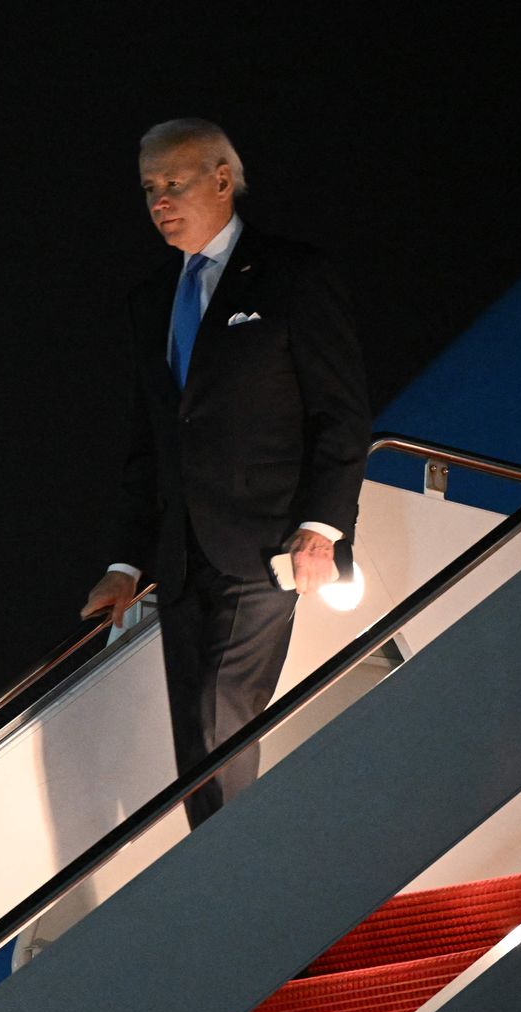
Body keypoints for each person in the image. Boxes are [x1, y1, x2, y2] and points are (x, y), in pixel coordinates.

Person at [80, 118, 370, 829]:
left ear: (220, 177)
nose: (159, 201)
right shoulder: (149, 300)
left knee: (219, 726)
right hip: (180, 559)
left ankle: (231, 895)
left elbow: (341, 412)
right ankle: (231, 884)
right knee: (198, 743)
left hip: (268, 545)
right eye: (149, 188)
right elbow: (148, 442)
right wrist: (124, 562)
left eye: (173, 183)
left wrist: (321, 528)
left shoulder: (293, 273)